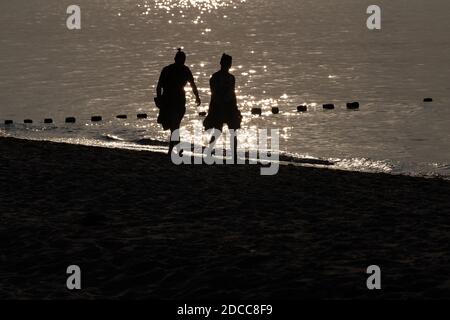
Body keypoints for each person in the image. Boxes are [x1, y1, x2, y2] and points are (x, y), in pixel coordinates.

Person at [156, 48, 201, 155]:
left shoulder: (172, 69)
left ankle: (173, 150)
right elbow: (159, 86)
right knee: (174, 126)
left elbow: (192, 84)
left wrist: (197, 96)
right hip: (171, 100)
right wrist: (159, 99)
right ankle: (176, 149)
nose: (182, 62)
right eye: (182, 59)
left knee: (174, 125)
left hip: (175, 100)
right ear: (176, 59)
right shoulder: (174, 70)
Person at [203, 53, 242, 162]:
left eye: (228, 63)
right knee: (219, 131)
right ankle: (211, 151)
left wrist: (235, 108)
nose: (227, 65)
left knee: (231, 131)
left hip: (228, 106)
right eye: (226, 63)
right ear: (222, 63)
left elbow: (232, 93)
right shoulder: (216, 77)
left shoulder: (230, 78)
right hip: (219, 106)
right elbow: (214, 93)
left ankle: (233, 155)